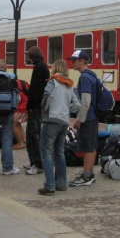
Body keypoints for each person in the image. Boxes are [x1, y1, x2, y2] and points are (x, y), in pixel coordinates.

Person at [38, 59, 80, 194]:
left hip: (51, 120)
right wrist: (68, 110)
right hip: (63, 122)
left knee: (46, 152)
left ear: (55, 69)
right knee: (59, 153)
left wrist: (44, 108)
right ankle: (61, 183)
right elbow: (77, 105)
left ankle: (49, 185)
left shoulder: (53, 82)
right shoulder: (69, 85)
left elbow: (47, 95)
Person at [67, 50, 99, 186]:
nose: (72, 62)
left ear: (83, 61)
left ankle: (86, 177)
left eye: (75, 60)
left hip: (88, 117)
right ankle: (89, 173)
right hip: (93, 116)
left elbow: (86, 101)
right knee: (91, 145)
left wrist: (79, 120)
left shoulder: (85, 77)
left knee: (88, 147)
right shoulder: (92, 75)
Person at [24, 46, 50, 175]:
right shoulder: (43, 67)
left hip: (35, 106)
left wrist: (29, 106)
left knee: (32, 135)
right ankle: (34, 161)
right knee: (34, 134)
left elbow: (35, 89)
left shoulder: (38, 68)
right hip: (39, 106)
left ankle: (37, 163)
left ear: (32, 56)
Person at [12, 78, 29, 150]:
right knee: (18, 124)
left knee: (13, 125)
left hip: (20, 108)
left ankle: (20, 142)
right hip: (26, 106)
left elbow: (18, 98)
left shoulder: (15, 86)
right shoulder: (22, 82)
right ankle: (24, 142)